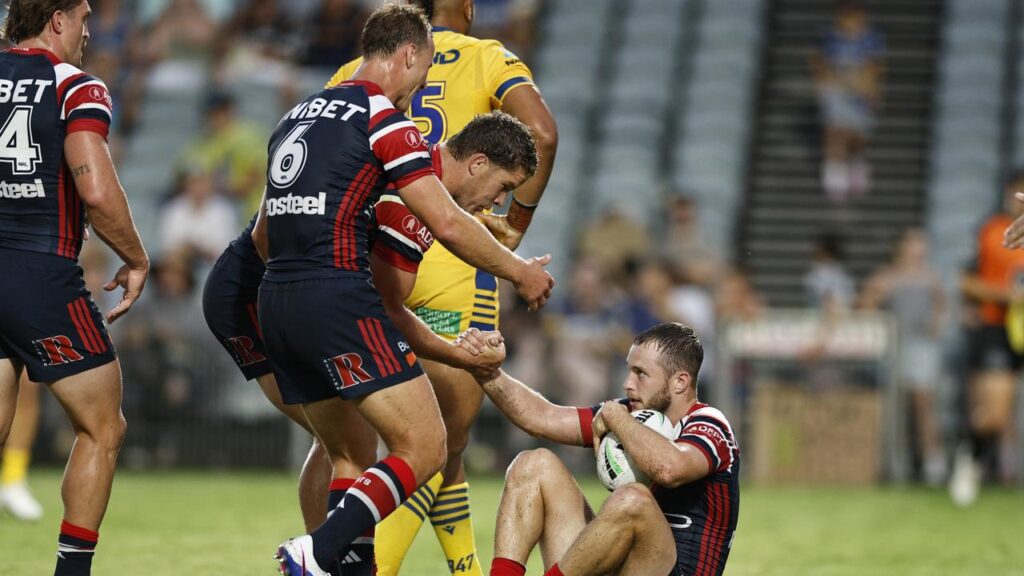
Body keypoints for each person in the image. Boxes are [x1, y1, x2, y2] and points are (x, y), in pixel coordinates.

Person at [258, 5, 554, 575]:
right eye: (418, 79)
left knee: (350, 453)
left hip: (279, 298)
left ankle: (347, 565)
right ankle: (315, 551)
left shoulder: (298, 113)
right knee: (428, 447)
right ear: (410, 53)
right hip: (347, 294)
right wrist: (518, 267)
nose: (413, 96)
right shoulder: (390, 118)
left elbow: (267, 230)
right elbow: (444, 217)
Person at [202, 110, 537, 574]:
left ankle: (333, 561)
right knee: (389, 444)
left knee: (350, 446)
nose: (496, 203)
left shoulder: (404, 165)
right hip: (270, 293)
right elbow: (390, 310)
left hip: (251, 286)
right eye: (502, 187)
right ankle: (320, 552)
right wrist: (459, 354)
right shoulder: (415, 197)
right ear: (477, 163)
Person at [0, 1, 150, 574]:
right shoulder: (75, 86)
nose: (90, 29)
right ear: (57, 19)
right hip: (41, 276)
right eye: (84, 16)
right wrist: (135, 256)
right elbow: (96, 191)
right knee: (102, 425)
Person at [470, 322, 739, 576]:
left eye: (640, 373)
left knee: (634, 500)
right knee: (533, 463)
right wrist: (487, 372)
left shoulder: (708, 423)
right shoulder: (630, 413)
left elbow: (670, 469)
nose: (627, 383)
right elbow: (542, 418)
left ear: (680, 382)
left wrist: (615, 416)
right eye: (629, 370)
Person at [953, 175, 1024, 505]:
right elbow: (966, 281)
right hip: (1001, 327)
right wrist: (1006, 295)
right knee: (994, 414)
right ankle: (969, 460)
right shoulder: (992, 232)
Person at [859, 228, 947, 485]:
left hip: (921, 345)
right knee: (893, 406)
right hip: (895, 348)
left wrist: (936, 321)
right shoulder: (888, 276)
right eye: (913, 243)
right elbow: (865, 305)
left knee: (923, 401)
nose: (918, 249)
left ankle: (933, 461)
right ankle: (895, 462)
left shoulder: (931, 277)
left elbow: (941, 305)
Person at [812, 1, 884, 201]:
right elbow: (820, 62)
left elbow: (875, 67)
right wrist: (821, 84)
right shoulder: (830, 37)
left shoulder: (871, 39)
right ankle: (834, 176)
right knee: (835, 132)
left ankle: (856, 164)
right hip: (837, 90)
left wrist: (872, 90)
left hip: (859, 93)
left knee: (857, 138)